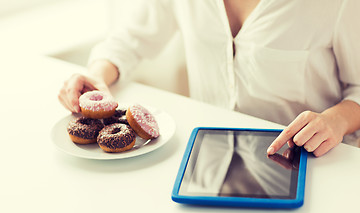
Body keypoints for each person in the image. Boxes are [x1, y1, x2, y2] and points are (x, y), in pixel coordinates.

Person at [58, 0, 360, 157]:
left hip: (308, 159)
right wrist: (96, 74)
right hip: (206, 153)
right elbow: (129, 39)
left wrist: (337, 120)